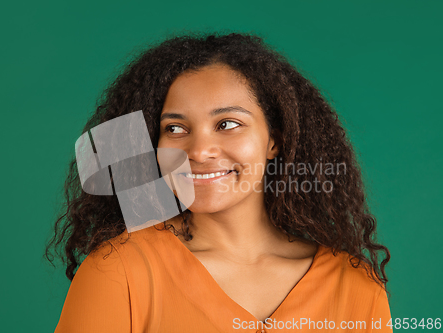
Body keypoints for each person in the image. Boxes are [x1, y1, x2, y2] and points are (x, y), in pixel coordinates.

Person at [46, 32, 392, 332]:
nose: (198, 151)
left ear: (275, 140)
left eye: (227, 124)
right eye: (175, 129)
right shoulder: (119, 273)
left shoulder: (356, 288)